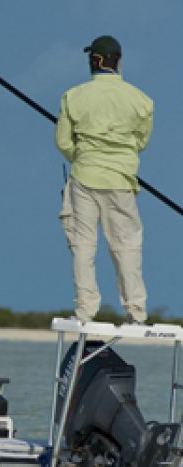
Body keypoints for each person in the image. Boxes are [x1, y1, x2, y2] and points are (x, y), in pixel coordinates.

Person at [55, 35, 153, 324]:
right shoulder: (142, 100)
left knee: (83, 243)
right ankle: (136, 312)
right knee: (127, 245)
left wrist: (84, 156)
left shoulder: (73, 96)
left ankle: (85, 311)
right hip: (122, 179)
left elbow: (63, 142)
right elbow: (141, 142)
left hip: (84, 177)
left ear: (95, 61)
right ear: (118, 62)